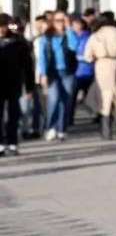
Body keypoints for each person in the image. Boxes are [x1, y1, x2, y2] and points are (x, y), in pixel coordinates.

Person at [83, 11, 116, 140]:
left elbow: (87, 56)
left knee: (106, 93)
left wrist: (94, 57)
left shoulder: (96, 35)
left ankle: (106, 129)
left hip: (102, 64)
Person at [37, 10, 77, 141]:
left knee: (65, 101)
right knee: (53, 99)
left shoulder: (68, 35)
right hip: (52, 72)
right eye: (58, 20)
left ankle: (62, 129)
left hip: (67, 72)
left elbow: (74, 46)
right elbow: (42, 57)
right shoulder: (46, 37)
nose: (60, 23)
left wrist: (69, 28)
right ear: (52, 22)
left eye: (63, 20)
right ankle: (50, 127)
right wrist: (43, 74)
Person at [0, 14, 34, 155]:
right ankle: (1, 144)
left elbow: (27, 66)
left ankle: (13, 143)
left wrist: (30, 86)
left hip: (14, 83)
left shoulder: (19, 42)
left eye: (4, 26)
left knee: (14, 114)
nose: (1, 29)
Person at [70, 15, 95, 123]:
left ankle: (96, 114)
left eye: (75, 24)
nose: (73, 27)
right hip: (77, 71)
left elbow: (83, 53)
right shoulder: (75, 36)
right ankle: (69, 117)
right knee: (73, 97)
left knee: (87, 95)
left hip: (85, 70)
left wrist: (77, 57)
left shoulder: (87, 37)